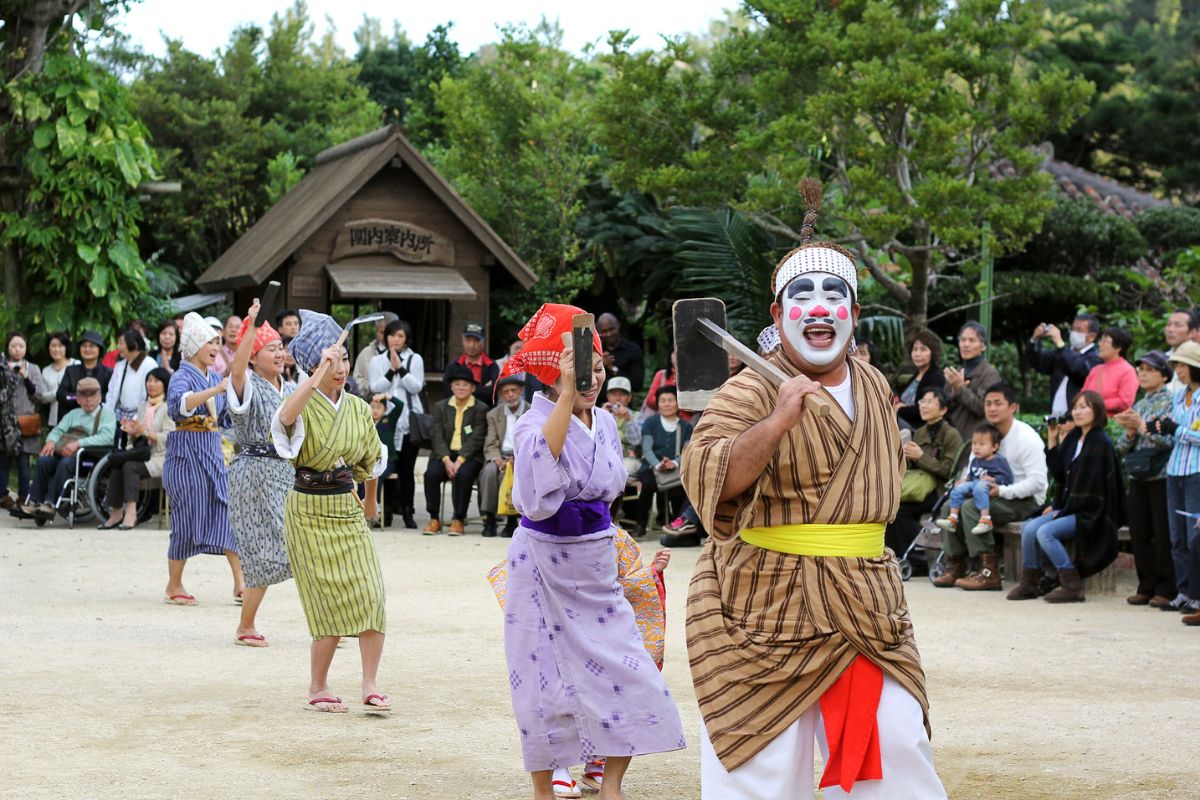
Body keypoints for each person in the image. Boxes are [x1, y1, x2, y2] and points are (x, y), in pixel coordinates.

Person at [682, 199, 945, 798]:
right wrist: (775, 423)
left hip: (867, 601)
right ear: (779, 312)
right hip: (767, 605)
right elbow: (708, 479)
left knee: (899, 744)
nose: (819, 307)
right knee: (764, 765)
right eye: (802, 295)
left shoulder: (876, 385)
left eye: (834, 295)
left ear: (854, 312)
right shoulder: (749, 387)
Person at [496, 302, 685, 800]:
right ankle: (544, 785)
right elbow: (535, 489)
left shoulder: (603, 422)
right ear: (552, 374)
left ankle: (611, 783)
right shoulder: (531, 423)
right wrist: (564, 394)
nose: (593, 379)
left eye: (598, 368)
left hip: (596, 555)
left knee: (628, 665)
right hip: (541, 560)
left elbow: (611, 486)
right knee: (542, 673)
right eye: (584, 370)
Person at [272, 309, 389, 713]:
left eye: (342, 358)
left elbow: (372, 459)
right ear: (313, 364)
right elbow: (285, 420)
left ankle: (370, 682)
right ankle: (318, 685)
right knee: (326, 603)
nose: (340, 368)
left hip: (345, 505)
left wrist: (371, 499)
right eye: (331, 360)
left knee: (371, 593)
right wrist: (314, 375)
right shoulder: (300, 402)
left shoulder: (357, 408)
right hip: (307, 511)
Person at [1007, 391, 1123, 603]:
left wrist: (1063, 509)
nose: (1077, 412)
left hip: (1090, 512)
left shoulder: (1100, 442)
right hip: (1069, 507)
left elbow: (1095, 491)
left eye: (1084, 407)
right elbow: (1060, 475)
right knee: (1028, 528)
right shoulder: (1074, 438)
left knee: (1045, 532)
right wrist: (1052, 441)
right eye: (1075, 407)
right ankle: (1030, 583)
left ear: (1096, 410)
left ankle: (1071, 585)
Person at [225, 302, 295, 647]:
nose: (279, 353)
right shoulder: (247, 383)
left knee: (302, 543)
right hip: (252, 473)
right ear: (252, 356)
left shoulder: (290, 386)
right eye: (271, 349)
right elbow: (236, 372)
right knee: (262, 549)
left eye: (281, 347)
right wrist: (250, 326)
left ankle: (328, 623)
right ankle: (246, 624)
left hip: (285, 471)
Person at [161, 312, 243, 606]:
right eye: (210, 341)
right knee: (186, 516)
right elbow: (178, 407)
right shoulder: (182, 376)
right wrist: (215, 389)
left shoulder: (213, 377)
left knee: (226, 512)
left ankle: (240, 583)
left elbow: (223, 416)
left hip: (211, 451)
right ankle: (174, 584)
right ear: (195, 345)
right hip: (185, 454)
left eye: (218, 342)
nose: (215, 347)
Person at [935, 383, 1048, 591]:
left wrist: (1002, 491)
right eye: (988, 404)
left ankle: (989, 573)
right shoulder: (983, 435)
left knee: (971, 508)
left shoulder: (1026, 438)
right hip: (990, 494)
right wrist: (964, 482)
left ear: (1013, 407)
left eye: (998, 403)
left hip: (1026, 500)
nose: (992, 408)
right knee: (949, 506)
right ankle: (956, 566)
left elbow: (1038, 483)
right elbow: (971, 469)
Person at [1113, 351, 1176, 607]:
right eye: (1141, 369)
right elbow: (1121, 446)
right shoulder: (1139, 403)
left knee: (1162, 534)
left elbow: (1169, 439)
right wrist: (1129, 431)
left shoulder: (1171, 401)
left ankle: (1166, 588)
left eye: (1150, 369)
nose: (1143, 374)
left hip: (1162, 474)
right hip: (1138, 475)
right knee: (1139, 532)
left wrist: (1140, 426)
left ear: (1164, 375)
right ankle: (1145, 585)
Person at [20, 377, 116, 519]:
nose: (88, 399)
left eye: (92, 395)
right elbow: (58, 430)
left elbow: (106, 437)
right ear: (78, 399)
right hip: (66, 454)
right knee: (44, 460)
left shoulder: (107, 415)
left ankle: (50, 504)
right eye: (84, 395)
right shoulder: (73, 414)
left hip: (89, 460)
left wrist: (78, 444)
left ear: (100, 397)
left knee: (65, 463)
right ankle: (35, 501)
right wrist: (51, 442)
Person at [885, 388, 963, 559]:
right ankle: (902, 555)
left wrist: (921, 457)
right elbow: (914, 467)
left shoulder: (951, 434)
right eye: (922, 402)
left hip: (940, 490)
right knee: (890, 508)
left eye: (930, 402)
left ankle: (916, 555)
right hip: (920, 488)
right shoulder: (920, 432)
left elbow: (950, 471)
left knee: (900, 511)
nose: (923, 406)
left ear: (943, 409)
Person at [98, 368, 174, 530]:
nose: (151, 384)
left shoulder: (169, 408)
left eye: (156, 381)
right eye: (149, 380)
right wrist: (133, 434)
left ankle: (131, 512)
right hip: (143, 453)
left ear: (165, 385)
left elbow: (169, 438)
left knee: (129, 466)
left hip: (161, 457)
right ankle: (116, 512)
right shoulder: (142, 407)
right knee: (119, 462)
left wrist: (144, 432)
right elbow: (136, 440)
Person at [367, 318, 424, 529]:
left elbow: (415, 386)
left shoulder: (415, 359)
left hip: (408, 421)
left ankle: (408, 511)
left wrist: (400, 368)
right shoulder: (377, 361)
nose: (395, 339)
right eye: (392, 335)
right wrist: (391, 370)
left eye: (400, 336)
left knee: (407, 470)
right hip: (384, 422)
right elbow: (375, 386)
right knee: (384, 465)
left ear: (407, 339)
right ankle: (387, 512)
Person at [1158, 341, 1200, 616]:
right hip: (1174, 470)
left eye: (1182, 365)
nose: (1178, 370)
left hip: (1197, 471)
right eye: (1176, 365)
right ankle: (1183, 591)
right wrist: (1161, 427)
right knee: (1177, 537)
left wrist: (1177, 430)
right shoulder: (1178, 395)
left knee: (1194, 536)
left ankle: (1197, 595)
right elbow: (1173, 430)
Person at [423, 363, 488, 535]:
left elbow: (477, 438)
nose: (461, 387)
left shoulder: (480, 409)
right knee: (431, 474)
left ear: (473, 388)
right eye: (457, 384)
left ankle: (458, 519)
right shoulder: (440, 407)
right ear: (451, 386)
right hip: (444, 455)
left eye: (465, 384)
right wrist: (446, 460)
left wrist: (459, 460)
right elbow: (436, 436)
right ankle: (434, 519)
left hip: (470, 456)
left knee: (464, 474)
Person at [634, 385, 692, 538]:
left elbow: (687, 450)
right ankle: (641, 523)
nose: (667, 404)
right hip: (651, 466)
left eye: (671, 400)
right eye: (663, 401)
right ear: (658, 404)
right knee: (647, 484)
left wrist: (675, 462)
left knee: (677, 491)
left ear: (678, 403)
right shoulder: (650, 423)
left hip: (676, 468)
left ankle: (676, 524)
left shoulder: (686, 427)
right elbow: (647, 449)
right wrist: (658, 465)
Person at [936, 424, 1014, 536]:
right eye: (974, 443)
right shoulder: (976, 459)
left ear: (994, 446)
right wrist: (964, 480)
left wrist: (993, 479)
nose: (976, 447)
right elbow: (972, 474)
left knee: (980, 486)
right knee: (958, 489)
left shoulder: (998, 461)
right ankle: (952, 519)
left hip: (988, 486)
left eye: (982, 444)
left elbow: (1007, 478)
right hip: (975, 483)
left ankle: (985, 519)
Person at [1025, 313, 1102, 420]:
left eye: (1079, 330)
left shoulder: (1096, 358)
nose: (1074, 333)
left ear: (1092, 336)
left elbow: (1076, 368)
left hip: (1077, 420)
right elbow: (1038, 362)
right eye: (1073, 329)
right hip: (1055, 418)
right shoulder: (1063, 353)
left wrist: (1060, 343)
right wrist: (1035, 339)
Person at [479, 374, 528, 538]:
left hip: (522, 458)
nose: (510, 395)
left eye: (513, 390)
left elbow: (532, 441)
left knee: (513, 474)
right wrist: (497, 459)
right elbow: (490, 441)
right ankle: (490, 519)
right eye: (505, 392)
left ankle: (511, 521)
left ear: (521, 390)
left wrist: (517, 459)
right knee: (488, 472)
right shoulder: (494, 414)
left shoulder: (531, 411)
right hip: (499, 455)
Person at [1, 333, 44, 507]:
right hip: (4, 422)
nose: (17, 349)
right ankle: (2, 496)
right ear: (8, 347)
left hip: (25, 422)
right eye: (13, 346)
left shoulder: (33, 369)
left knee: (24, 462)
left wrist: (25, 377)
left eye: (21, 346)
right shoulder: (1, 366)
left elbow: (39, 396)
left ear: (26, 348)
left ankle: (23, 497)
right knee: (3, 460)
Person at [943, 321, 1001, 440]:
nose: (966, 344)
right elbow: (942, 408)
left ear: (983, 346)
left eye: (971, 340)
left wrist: (960, 387)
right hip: (951, 440)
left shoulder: (989, 373)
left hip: (976, 441)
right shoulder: (956, 373)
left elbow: (982, 408)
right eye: (963, 340)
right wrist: (953, 394)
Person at [105, 330, 155, 437]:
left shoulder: (149, 364)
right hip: (119, 416)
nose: (118, 346)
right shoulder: (121, 364)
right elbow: (112, 391)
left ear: (134, 344)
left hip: (139, 419)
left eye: (121, 343)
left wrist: (136, 420)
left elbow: (149, 397)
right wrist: (108, 415)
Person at [893, 330, 947, 429]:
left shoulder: (936, 377)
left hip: (918, 430)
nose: (917, 354)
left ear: (933, 352)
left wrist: (899, 409)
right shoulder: (916, 376)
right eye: (915, 349)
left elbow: (924, 410)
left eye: (923, 349)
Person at [1080, 326, 1137, 414]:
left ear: (1118, 347)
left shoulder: (1128, 371)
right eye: (1101, 340)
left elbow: (1125, 402)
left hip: (1113, 424)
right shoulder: (1096, 370)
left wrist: (1097, 404)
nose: (1100, 344)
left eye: (1105, 341)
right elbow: (1083, 395)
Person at [57, 331, 112, 417]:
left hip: (99, 419)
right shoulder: (70, 371)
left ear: (99, 350)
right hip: (74, 419)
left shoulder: (108, 372)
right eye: (84, 346)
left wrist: (92, 400)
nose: (87, 349)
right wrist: (77, 397)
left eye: (92, 346)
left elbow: (109, 397)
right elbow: (61, 394)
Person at [444, 321, 498, 405]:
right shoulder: (453, 365)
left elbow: (492, 393)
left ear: (484, 342)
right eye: (468, 340)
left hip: (485, 413)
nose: (472, 345)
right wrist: (482, 389)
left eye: (476, 340)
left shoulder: (492, 366)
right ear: (462, 340)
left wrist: (462, 390)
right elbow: (448, 392)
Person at [352, 311, 398, 399]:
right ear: (376, 330)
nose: (385, 336)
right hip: (373, 405)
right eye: (382, 332)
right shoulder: (366, 353)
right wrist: (371, 386)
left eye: (390, 333)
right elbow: (356, 379)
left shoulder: (407, 355)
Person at [597, 312, 645, 394]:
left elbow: (638, 385)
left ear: (618, 326)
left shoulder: (633, 350)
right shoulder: (596, 350)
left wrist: (612, 368)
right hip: (597, 402)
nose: (608, 334)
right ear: (599, 332)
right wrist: (600, 366)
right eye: (604, 331)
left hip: (622, 404)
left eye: (612, 329)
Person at [37, 331, 77, 429]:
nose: (56, 349)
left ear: (66, 347)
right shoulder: (46, 370)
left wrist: (67, 396)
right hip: (54, 421)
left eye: (60, 346)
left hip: (75, 419)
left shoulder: (76, 364)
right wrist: (58, 393)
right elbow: (43, 398)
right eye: (53, 346)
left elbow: (78, 395)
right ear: (48, 348)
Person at [641, 350, 694, 422]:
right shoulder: (661, 375)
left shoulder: (695, 378)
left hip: (687, 424)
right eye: (675, 353)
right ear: (670, 355)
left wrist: (675, 404)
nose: (678, 356)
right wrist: (668, 403)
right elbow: (650, 400)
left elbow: (698, 405)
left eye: (681, 352)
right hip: (661, 422)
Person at [1163, 309, 1198, 395]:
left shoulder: (1197, 359)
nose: (1170, 329)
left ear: (1192, 332)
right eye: (1169, 324)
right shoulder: (1162, 357)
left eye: (1178, 325)